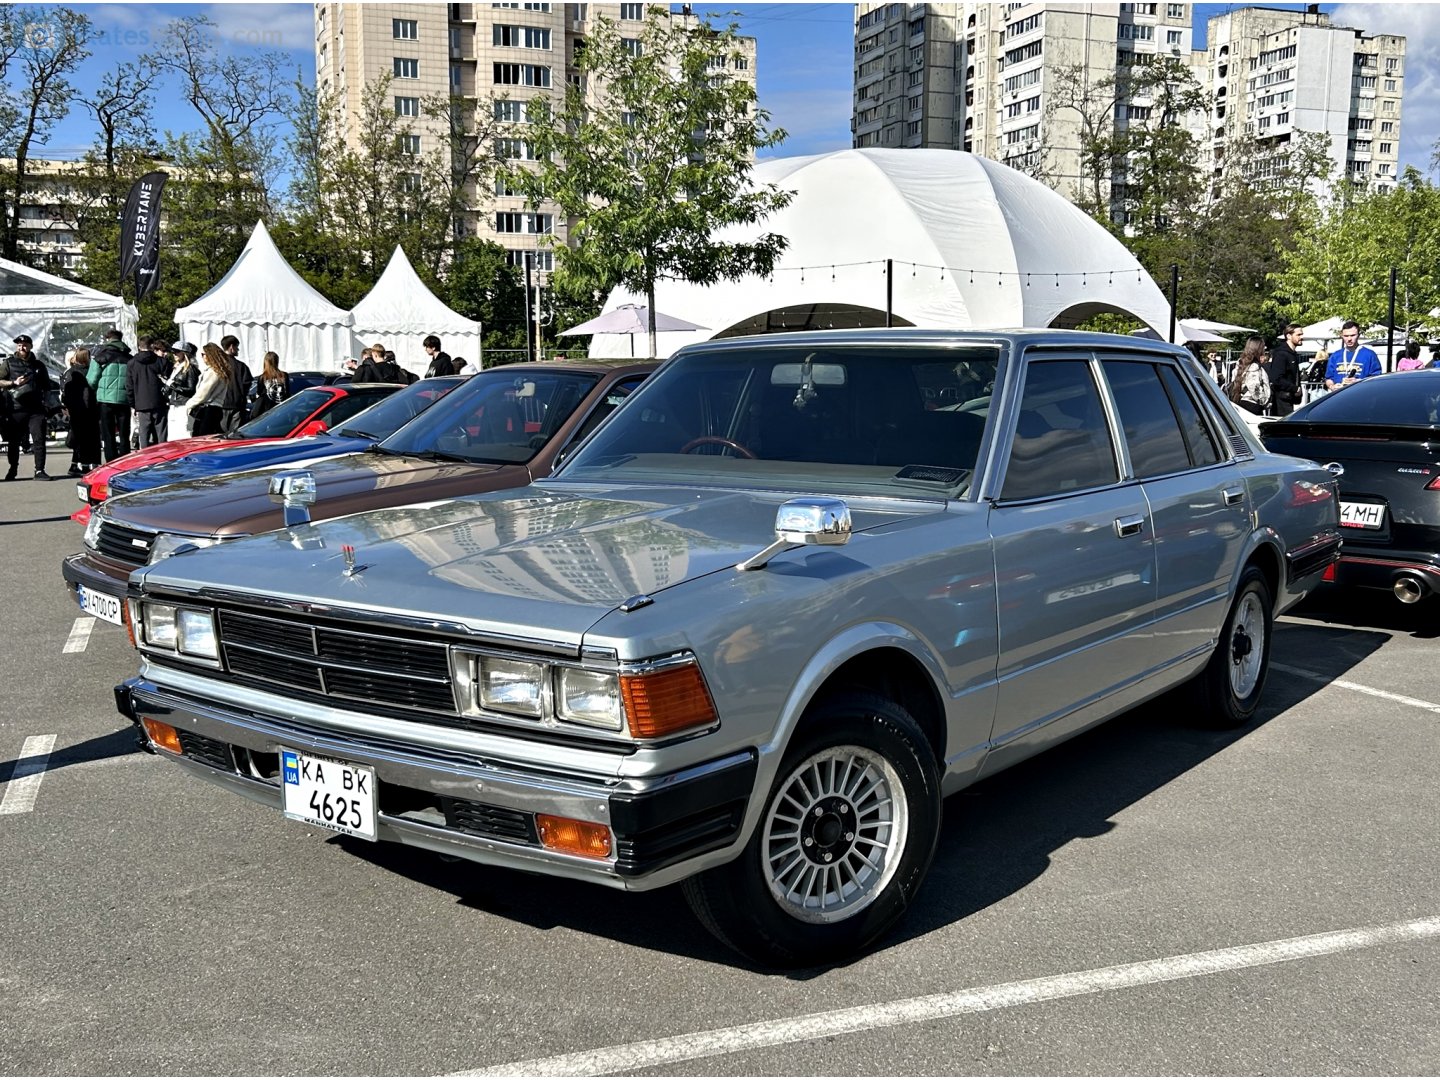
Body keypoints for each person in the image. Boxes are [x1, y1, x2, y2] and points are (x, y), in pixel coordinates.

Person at [0, 334, 54, 479]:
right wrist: (13, 383)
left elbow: (47, 387)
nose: (21, 347)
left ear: (30, 346)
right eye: (19, 345)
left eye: (24, 345)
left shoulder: (39, 365)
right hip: (15, 408)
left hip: (36, 409)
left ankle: (39, 470)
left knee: (39, 439)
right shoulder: (9, 363)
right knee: (14, 441)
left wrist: (47, 403)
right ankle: (13, 468)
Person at [87, 328, 133, 461]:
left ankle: (111, 460)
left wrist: (95, 392)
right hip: (124, 401)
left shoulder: (100, 357)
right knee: (124, 433)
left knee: (108, 434)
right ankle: (125, 461)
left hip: (105, 400)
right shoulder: (130, 358)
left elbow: (91, 380)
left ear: (108, 339)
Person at [127, 334, 173, 447]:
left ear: (139, 346)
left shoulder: (132, 363)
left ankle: (146, 460)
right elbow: (169, 381)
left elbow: (129, 386)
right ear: (152, 346)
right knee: (161, 434)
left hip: (141, 403)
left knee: (144, 435)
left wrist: (133, 404)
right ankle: (163, 458)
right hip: (159, 401)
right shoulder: (162, 362)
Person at [61, 348, 101, 476]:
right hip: (89, 409)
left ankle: (76, 465)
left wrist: (67, 406)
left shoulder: (70, 373)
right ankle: (89, 465)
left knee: (79, 438)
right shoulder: (88, 372)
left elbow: (66, 394)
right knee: (91, 439)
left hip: (76, 410)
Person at [187, 343, 237, 437]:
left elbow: (203, 394)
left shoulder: (213, 372)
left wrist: (188, 405)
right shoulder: (221, 371)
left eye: (203, 354)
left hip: (208, 409)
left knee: (201, 438)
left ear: (210, 355)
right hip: (215, 408)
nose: (202, 357)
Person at [1325, 320, 1381, 390]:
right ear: (1342, 336)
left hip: (1360, 395)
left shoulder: (1369, 355)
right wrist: (1332, 386)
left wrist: (1358, 381)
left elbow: (1376, 379)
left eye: (1352, 335)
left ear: (1358, 335)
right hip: (1340, 396)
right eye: (1346, 336)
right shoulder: (1335, 356)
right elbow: (1329, 378)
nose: (1349, 339)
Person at [1264, 324, 1304, 417]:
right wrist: (1295, 388)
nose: (1302, 337)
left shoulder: (1292, 354)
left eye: (1302, 334)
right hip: (1281, 400)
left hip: (1289, 398)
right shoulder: (1281, 354)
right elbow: (1276, 378)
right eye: (1298, 335)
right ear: (1289, 336)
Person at [1228, 336, 1271, 417]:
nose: (1264, 349)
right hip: (1251, 405)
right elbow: (1255, 389)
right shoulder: (1254, 367)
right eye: (1263, 347)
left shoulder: (1240, 364)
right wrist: (1264, 401)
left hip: (1238, 402)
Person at [166, 342, 200, 436]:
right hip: (174, 403)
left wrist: (173, 385)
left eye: (177, 352)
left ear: (185, 353)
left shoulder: (190, 369)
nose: (174, 354)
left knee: (183, 433)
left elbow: (191, 389)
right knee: (173, 434)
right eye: (173, 352)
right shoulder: (176, 368)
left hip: (183, 405)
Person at [220, 334, 252, 425]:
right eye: (237, 346)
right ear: (231, 346)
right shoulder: (241, 366)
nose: (238, 349)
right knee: (235, 434)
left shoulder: (217, 365)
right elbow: (247, 384)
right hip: (237, 406)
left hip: (220, 405)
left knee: (221, 435)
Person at [251, 352, 290, 416]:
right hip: (282, 410)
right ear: (277, 362)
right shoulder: (284, 375)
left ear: (266, 363)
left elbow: (260, 395)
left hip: (268, 412)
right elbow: (287, 393)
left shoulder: (262, 378)